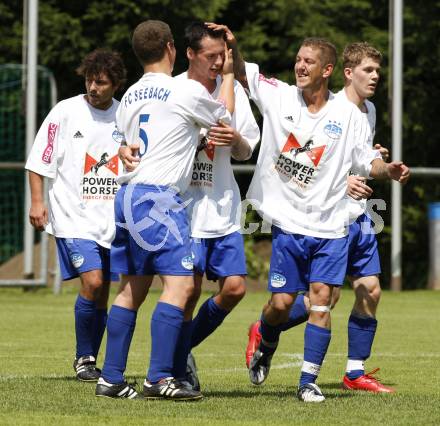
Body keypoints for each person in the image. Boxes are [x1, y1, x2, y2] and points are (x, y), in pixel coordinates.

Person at [208, 23, 409, 402]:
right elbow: (245, 72)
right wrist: (234, 45)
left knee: (322, 300)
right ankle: (266, 338)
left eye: (309, 61)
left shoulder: (350, 116)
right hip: (289, 224)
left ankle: (309, 382)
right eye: (298, 60)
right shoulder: (279, 97)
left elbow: (366, 160)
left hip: (333, 224)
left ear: (327, 69)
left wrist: (388, 170)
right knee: (282, 304)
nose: (300, 66)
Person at [95, 19, 234, 400]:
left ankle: (110, 377)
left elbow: (127, 145)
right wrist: (231, 73)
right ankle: (159, 377)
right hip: (158, 198)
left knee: (131, 290)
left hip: (126, 197)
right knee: (182, 285)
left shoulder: (131, 97)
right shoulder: (182, 90)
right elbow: (225, 120)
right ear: (172, 48)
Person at [246, 42, 395, 394]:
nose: (375, 77)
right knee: (308, 301)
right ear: (346, 73)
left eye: (378, 71)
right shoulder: (328, 106)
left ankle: (354, 372)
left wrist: (380, 163)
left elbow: (357, 158)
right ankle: (267, 329)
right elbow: (308, 164)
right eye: (368, 70)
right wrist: (342, 179)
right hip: (325, 214)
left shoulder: (367, 111)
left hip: (356, 215)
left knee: (366, 291)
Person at [120, 21, 260, 391]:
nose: (218, 62)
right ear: (189, 54)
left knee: (234, 288)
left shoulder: (235, 94)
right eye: (211, 56)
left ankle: (178, 353)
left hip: (223, 204)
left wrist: (236, 139)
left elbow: (248, 148)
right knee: (187, 290)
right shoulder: (175, 89)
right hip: (184, 205)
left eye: (223, 56)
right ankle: (172, 369)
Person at [25, 49, 126, 381]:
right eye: (89, 81)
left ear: (116, 85)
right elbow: (39, 162)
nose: (93, 87)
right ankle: (84, 357)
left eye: (101, 82)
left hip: (111, 220)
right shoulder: (65, 112)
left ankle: (91, 359)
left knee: (102, 291)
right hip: (72, 216)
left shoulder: (125, 115)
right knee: (93, 281)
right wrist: (38, 203)